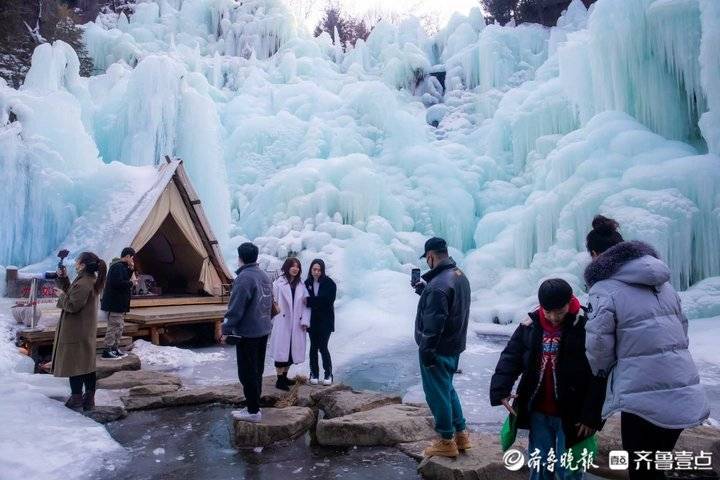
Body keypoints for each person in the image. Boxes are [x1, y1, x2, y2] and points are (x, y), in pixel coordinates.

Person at [584, 215, 710, 480]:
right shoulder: (663, 284)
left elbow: (598, 346)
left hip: (641, 392)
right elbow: (682, 330)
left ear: (595, 254)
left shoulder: (604, 289)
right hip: (681, 386)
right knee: (657, 466)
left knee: (641, 470)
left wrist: (601, 374)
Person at [490, 279, 607, 480]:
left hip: (572, 415)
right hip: (538, 411)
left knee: (568, 468)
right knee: (540, 465)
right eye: (548, 311)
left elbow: (601, 373)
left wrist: (592, 416)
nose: (553, 317)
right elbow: (511, 357)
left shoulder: (586, 326)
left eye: (559, 312)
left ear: (570, 302)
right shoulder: (531, 325)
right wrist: (501, 390)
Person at [412, 237, 471, 458]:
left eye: (427, 259)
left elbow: (434, 323)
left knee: (437, 394)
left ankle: (446, 440)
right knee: (447, 389)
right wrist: (424, 291)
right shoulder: (458, 276)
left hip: (438, 348)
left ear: (430, 256)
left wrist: (426, 352)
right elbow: (449, 305)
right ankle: (461, 434)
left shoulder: (438, 285)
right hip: (454, 345)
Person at [221, 242, 273, 423]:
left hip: (248, 332)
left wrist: (226, 328)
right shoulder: (264, 276)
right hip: (263, 329)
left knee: (246, 372)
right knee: (256, 369)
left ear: (240, 257)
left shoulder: (244, 278)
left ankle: (253, 411)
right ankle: (254, 405)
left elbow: (236, 307)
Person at [52, 251, 107, 411]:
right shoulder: (87, 280)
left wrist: (61, 296)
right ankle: (88, 399)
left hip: (76, 330)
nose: (75, 264)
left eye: (77, 262)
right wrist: (63, 279)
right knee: (86, 364)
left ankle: (77, 398)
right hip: (83, 329)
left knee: (74, 364)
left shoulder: (84, 282)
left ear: (83, 265)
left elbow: (73, 305)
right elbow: (74, 294)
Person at [271, 257, 311, 391]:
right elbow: (273, 301)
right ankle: (279, 380)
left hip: (296, 323)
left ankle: (285, 376)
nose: (295, 269)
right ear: (287, 267)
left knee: (290, 352)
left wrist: (305, 320)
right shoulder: (278, 283)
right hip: (283, 321)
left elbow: (306, 306)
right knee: (281, 351)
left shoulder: (301, 285)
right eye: (293, 266)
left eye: (298, 266)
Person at [304, 259, 337, 386]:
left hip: (325, 321)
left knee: (323, 346)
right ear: (311, 270)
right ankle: (314, 373)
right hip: (312, 321)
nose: (316, 272)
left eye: (319, 270)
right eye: (314, 269)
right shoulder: (307, 283)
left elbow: (326, 301)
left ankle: (328, 374)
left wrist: (310, 301)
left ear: (322, 270)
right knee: (313, 347)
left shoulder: (330, 284)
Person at [100, 247, 137, 359]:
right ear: (127, 256)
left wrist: (131, 268)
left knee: (119, 327)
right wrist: (131, 283)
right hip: (114, 303)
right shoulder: (117, 266)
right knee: (114, 326)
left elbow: (125, 277)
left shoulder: (122, 267)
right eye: (132, 257)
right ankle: (107, 350)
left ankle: (115, 348)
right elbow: (118, 283)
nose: (132, 259)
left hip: (120, 304)